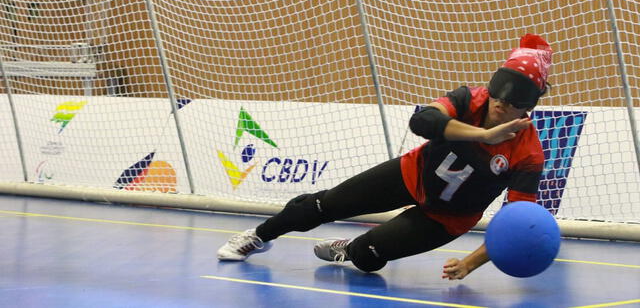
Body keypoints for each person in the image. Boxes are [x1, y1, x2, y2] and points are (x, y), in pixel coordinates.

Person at [217, 33, 552, 280]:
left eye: (514, 101)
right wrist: (482, 135)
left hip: (447, 218)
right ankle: (259, 237)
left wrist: (470, 262)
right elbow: (424, 121)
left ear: (529, 107)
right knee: (323, 205)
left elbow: (514, 223)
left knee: (368, 258)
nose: (501, 103)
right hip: (412, 174)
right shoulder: (470, 100)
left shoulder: (528, 154)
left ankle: (350, 248)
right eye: (499, 92)